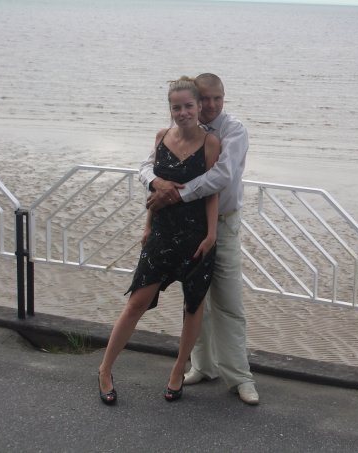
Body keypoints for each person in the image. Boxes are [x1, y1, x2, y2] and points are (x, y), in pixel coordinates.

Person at [97, 77, 220, 405]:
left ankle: (178, 370)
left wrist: (211, 234)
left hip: (196, 236)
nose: (183, 112)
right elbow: (154, 190)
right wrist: (147, 226)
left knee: (192, 306)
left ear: (198, 107)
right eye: (176, 107)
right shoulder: (161, 137)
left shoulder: (211, 143)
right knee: (137, 302)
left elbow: (212, 191)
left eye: (188, 106)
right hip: (162, 233)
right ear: (170, 109)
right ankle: (105, 369)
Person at [139, 73, 259, 405]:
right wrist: (156, 184)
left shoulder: (233, 130)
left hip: (224, 224)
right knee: (195, 301)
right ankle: (203, 366)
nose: (210, 105)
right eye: (204, 98)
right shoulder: (184, 128)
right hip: (188, 225)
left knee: (228, 302)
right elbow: (148, 164)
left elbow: (222, 176)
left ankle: (240, 377)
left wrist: (176, 194)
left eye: (217, 98)